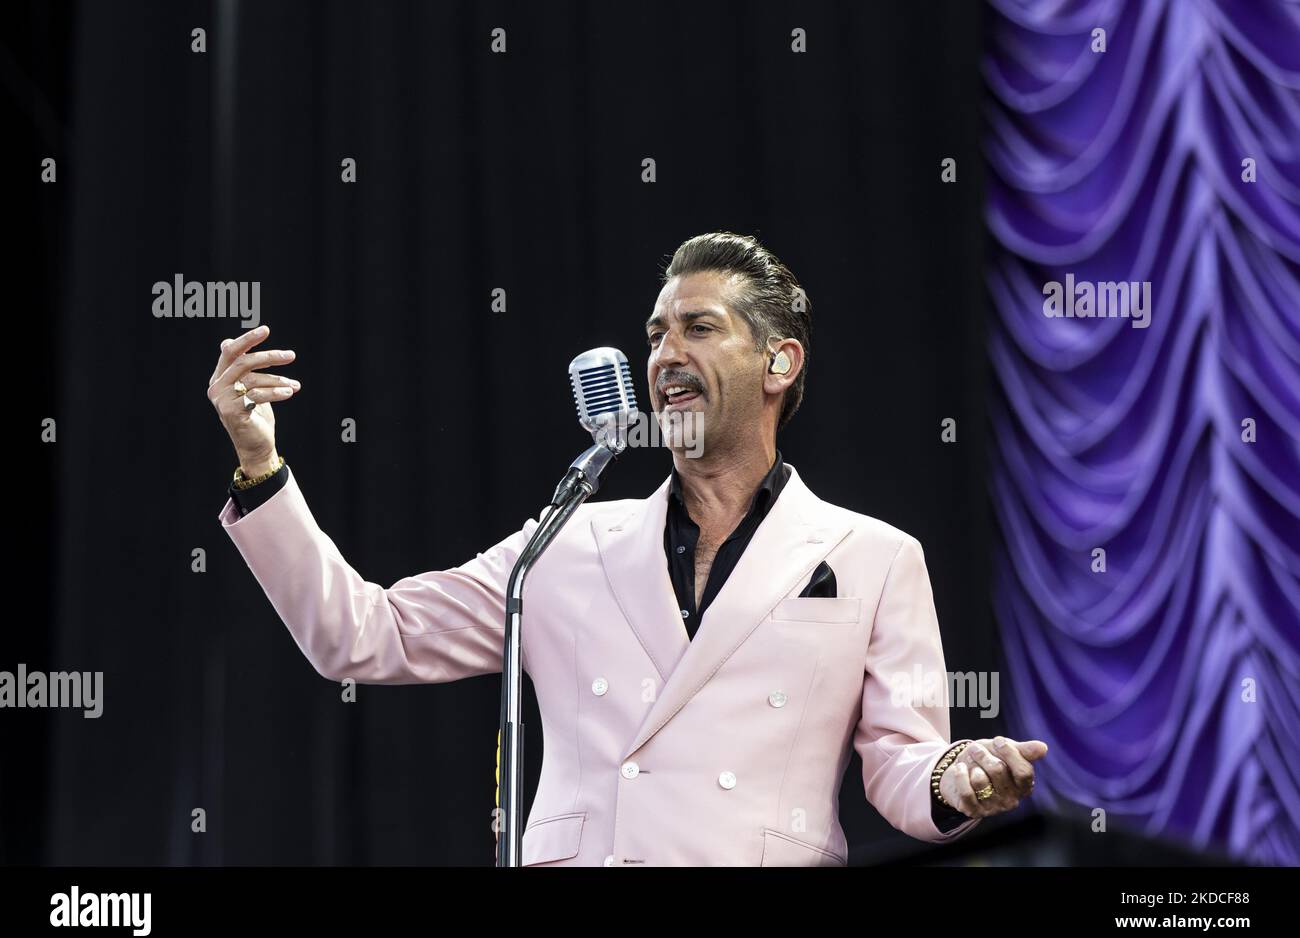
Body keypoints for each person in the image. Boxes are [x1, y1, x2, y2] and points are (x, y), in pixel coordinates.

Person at [208, 231, 1047, 866]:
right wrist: (260, 462)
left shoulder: (873, 555)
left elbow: (902, 765)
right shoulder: (566, 543)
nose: (665, 355)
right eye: (655, 335)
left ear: (779, 362)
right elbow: (362, 635)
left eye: (699, 329)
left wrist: (957, 776)